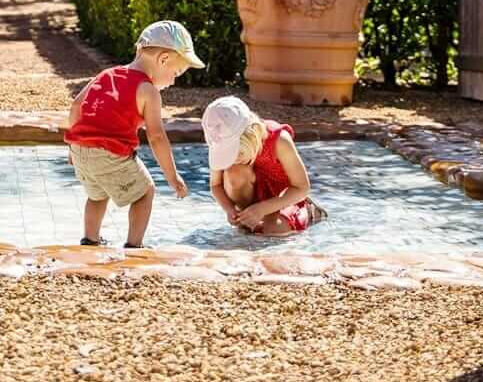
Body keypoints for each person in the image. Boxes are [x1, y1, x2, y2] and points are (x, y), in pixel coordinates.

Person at [64, 20, 203, 248]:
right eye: (176, 72)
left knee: (97, 195)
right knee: (145, 192)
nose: (174, 80)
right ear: (163, 59)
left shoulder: (106, 74)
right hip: (110, 153)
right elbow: (157, 137)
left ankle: (90, 240)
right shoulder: (148, 91)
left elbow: (76, 106)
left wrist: (74, 146)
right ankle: (134, 245)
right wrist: (172, 176)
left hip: (80, 149)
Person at [202, 96, 324, 235]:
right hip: (254, 198)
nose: (231, 159)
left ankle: (308, 210)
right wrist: (230, 209)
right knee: (234, 173)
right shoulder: (218, 140)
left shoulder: (279, 140)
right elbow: (215, 185)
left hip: (283, 198)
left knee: (273, 230)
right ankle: (249, 218)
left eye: (235, 153)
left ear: (252, 135)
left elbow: (302, 188)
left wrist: (262, 209)